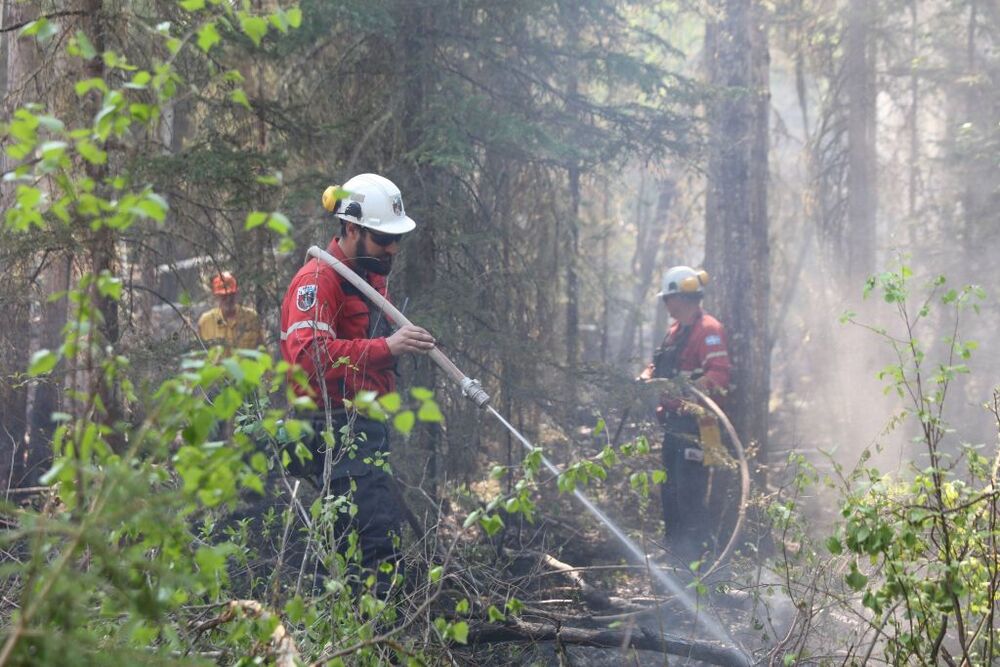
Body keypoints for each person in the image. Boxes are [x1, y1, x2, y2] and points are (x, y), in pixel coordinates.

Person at [279, 173, 435, 595]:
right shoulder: (317, 282)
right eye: (384, 239)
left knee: (368, 541)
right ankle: (371, 643)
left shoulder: (367, 278)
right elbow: (306, 360)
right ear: (351, 229)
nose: (393, 249)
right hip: (331, 429)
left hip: (364, 430)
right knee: (373, 549)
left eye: (396, 240)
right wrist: (387, 347)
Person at [640, 265, 733, 565]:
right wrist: (645, 377)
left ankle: (698, 555)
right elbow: (657, 366)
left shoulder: (709, 330)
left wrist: (688, 391)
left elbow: (718, 375)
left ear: (683, 297)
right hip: (673, 424)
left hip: (700, 425)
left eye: (669, 298)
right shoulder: (674, 332)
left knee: (690, 490)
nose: (666, 304)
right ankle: (674, 549)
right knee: (669, 487)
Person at [197, 271, 264, 350]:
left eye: (231, 295)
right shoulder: (206, 322)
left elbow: (263, 351)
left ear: (236, 294)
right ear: (216, 296)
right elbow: (200, 356)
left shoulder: (251, 318)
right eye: (224, 296)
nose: (228, 299)